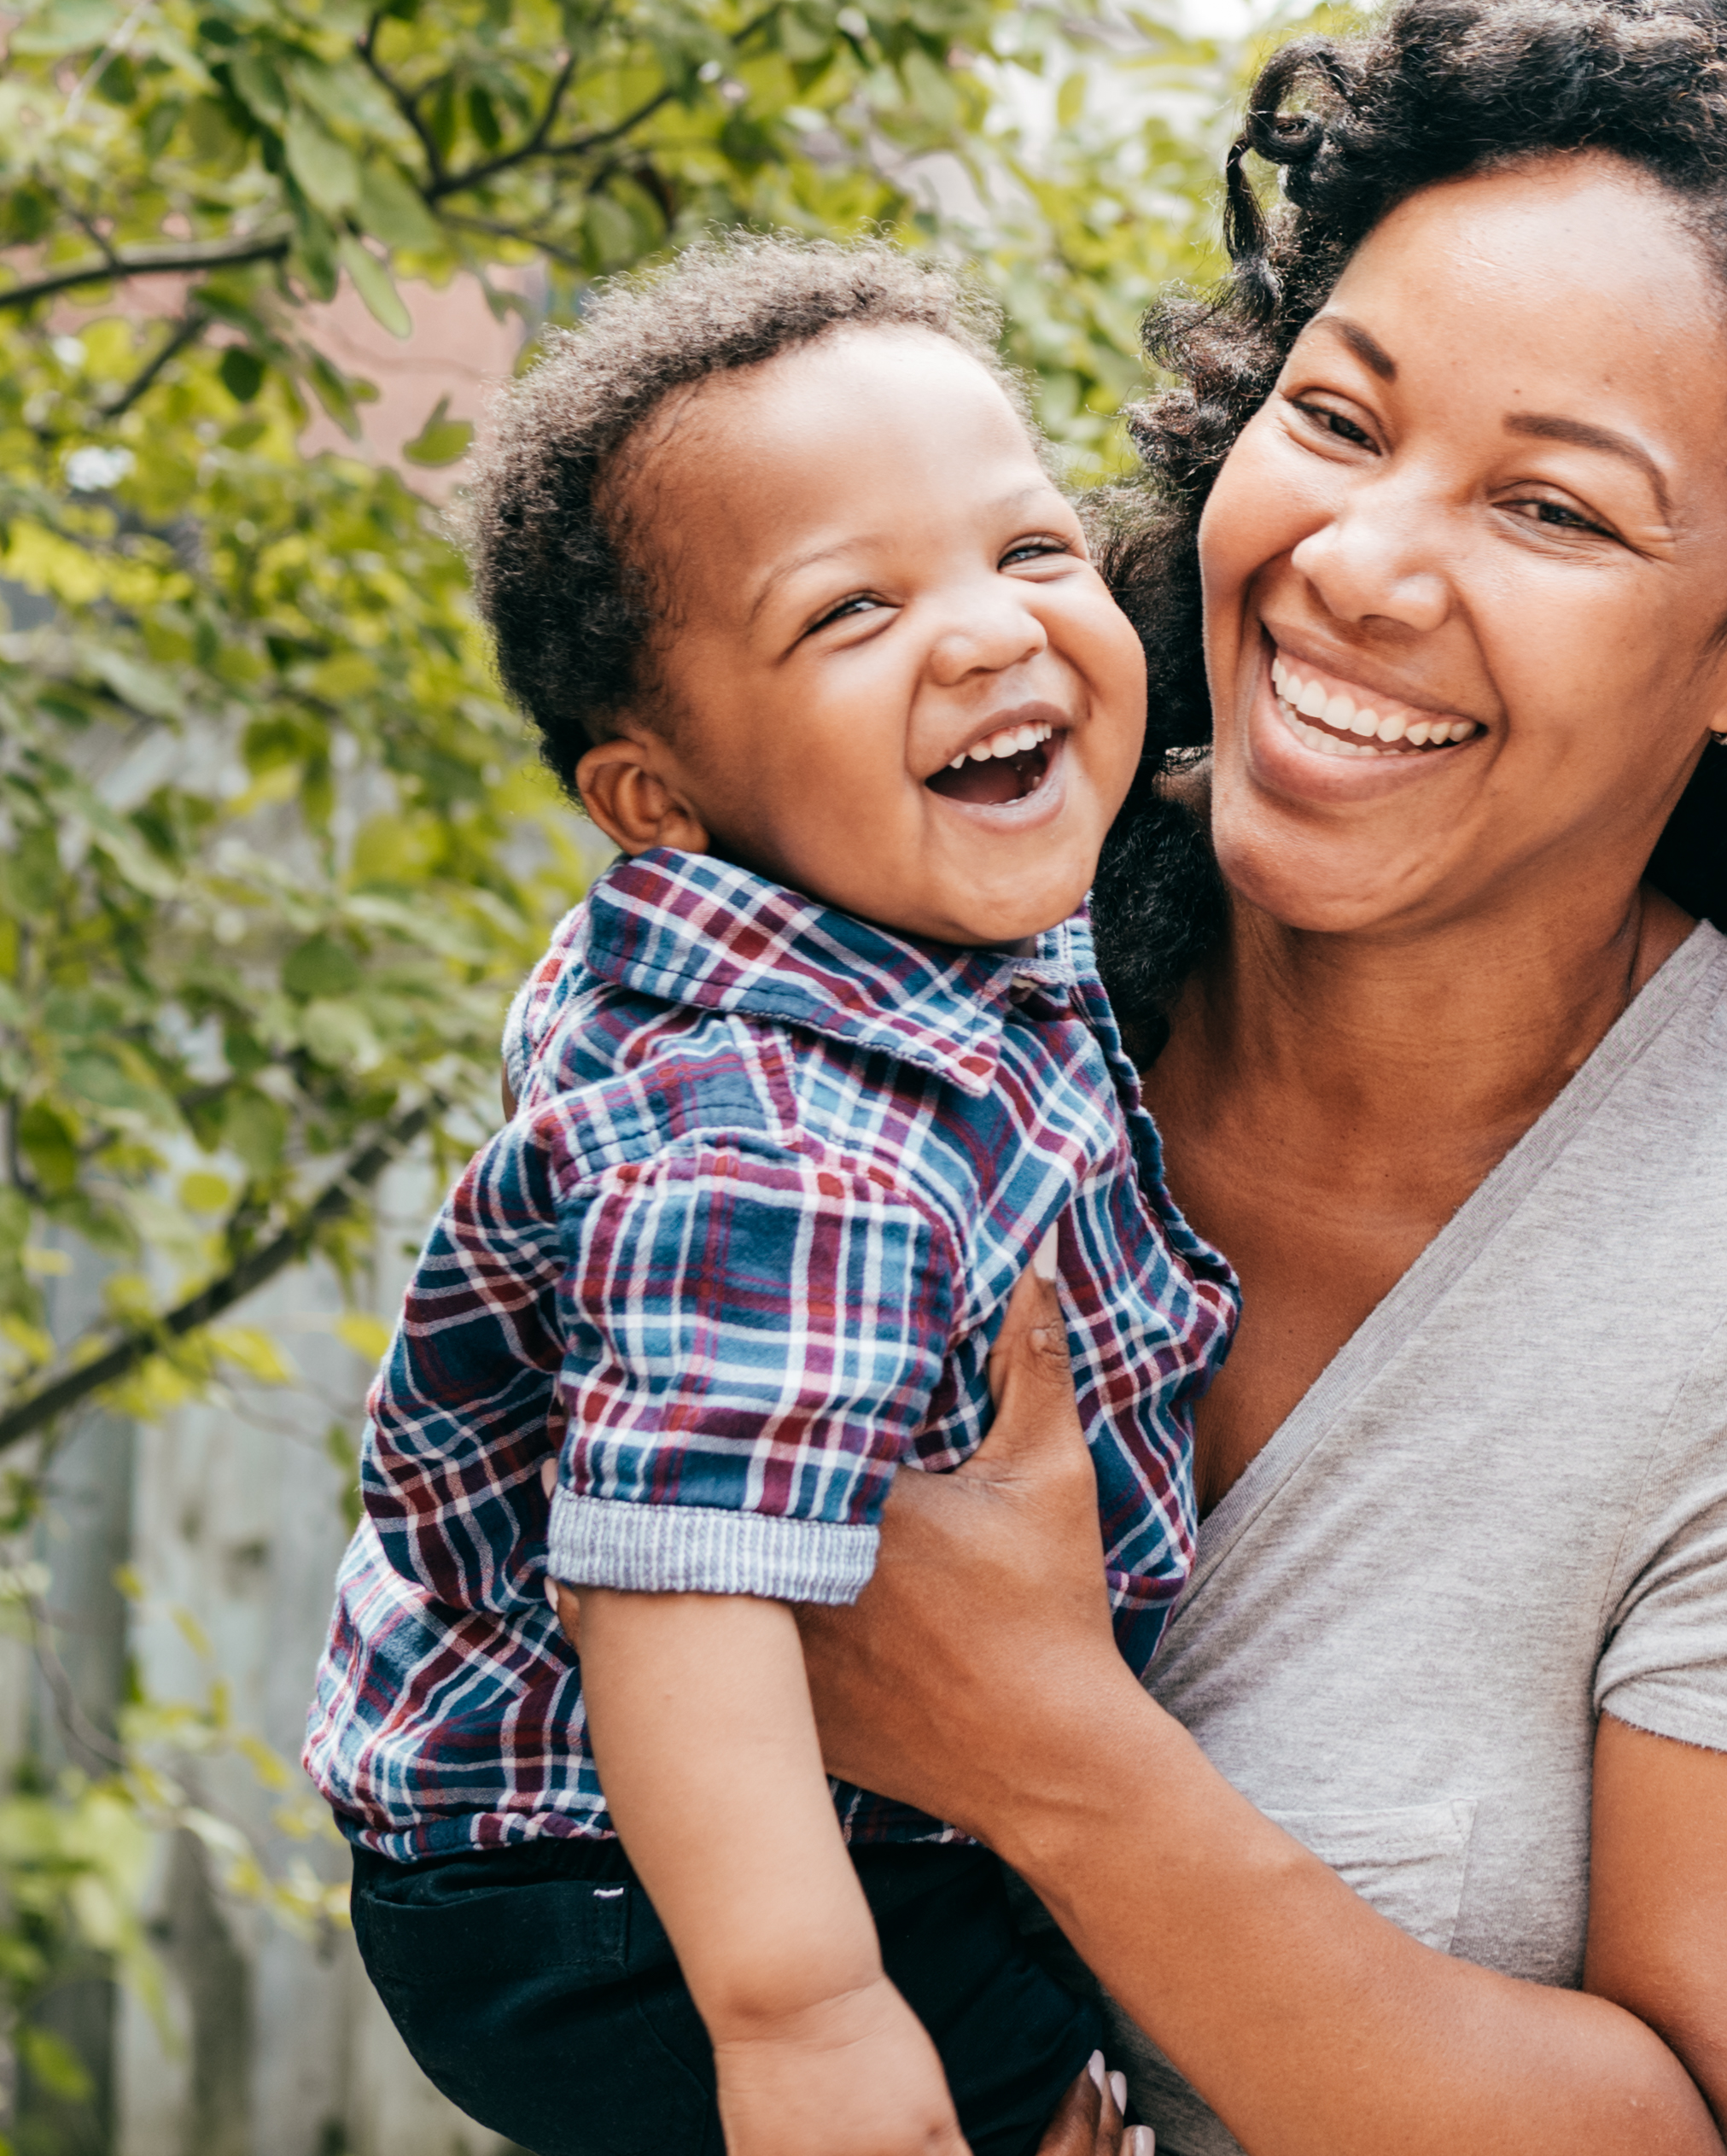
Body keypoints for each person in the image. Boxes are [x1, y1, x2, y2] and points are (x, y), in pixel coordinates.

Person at [785, 0, 1727, 2156]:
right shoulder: (915, 1010)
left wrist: (1047, 1752)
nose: (1366, 562)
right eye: (1338, 420)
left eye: (1550, 507)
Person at [303, 238, 1243, 2156]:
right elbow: (674, 1580)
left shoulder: (898, 926)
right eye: (848, 612)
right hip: (630, 1899)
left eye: (1031, 551)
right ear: (660, 795)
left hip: (705, 1838)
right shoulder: (772, 1132)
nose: (988, 633)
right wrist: (799, 2008)